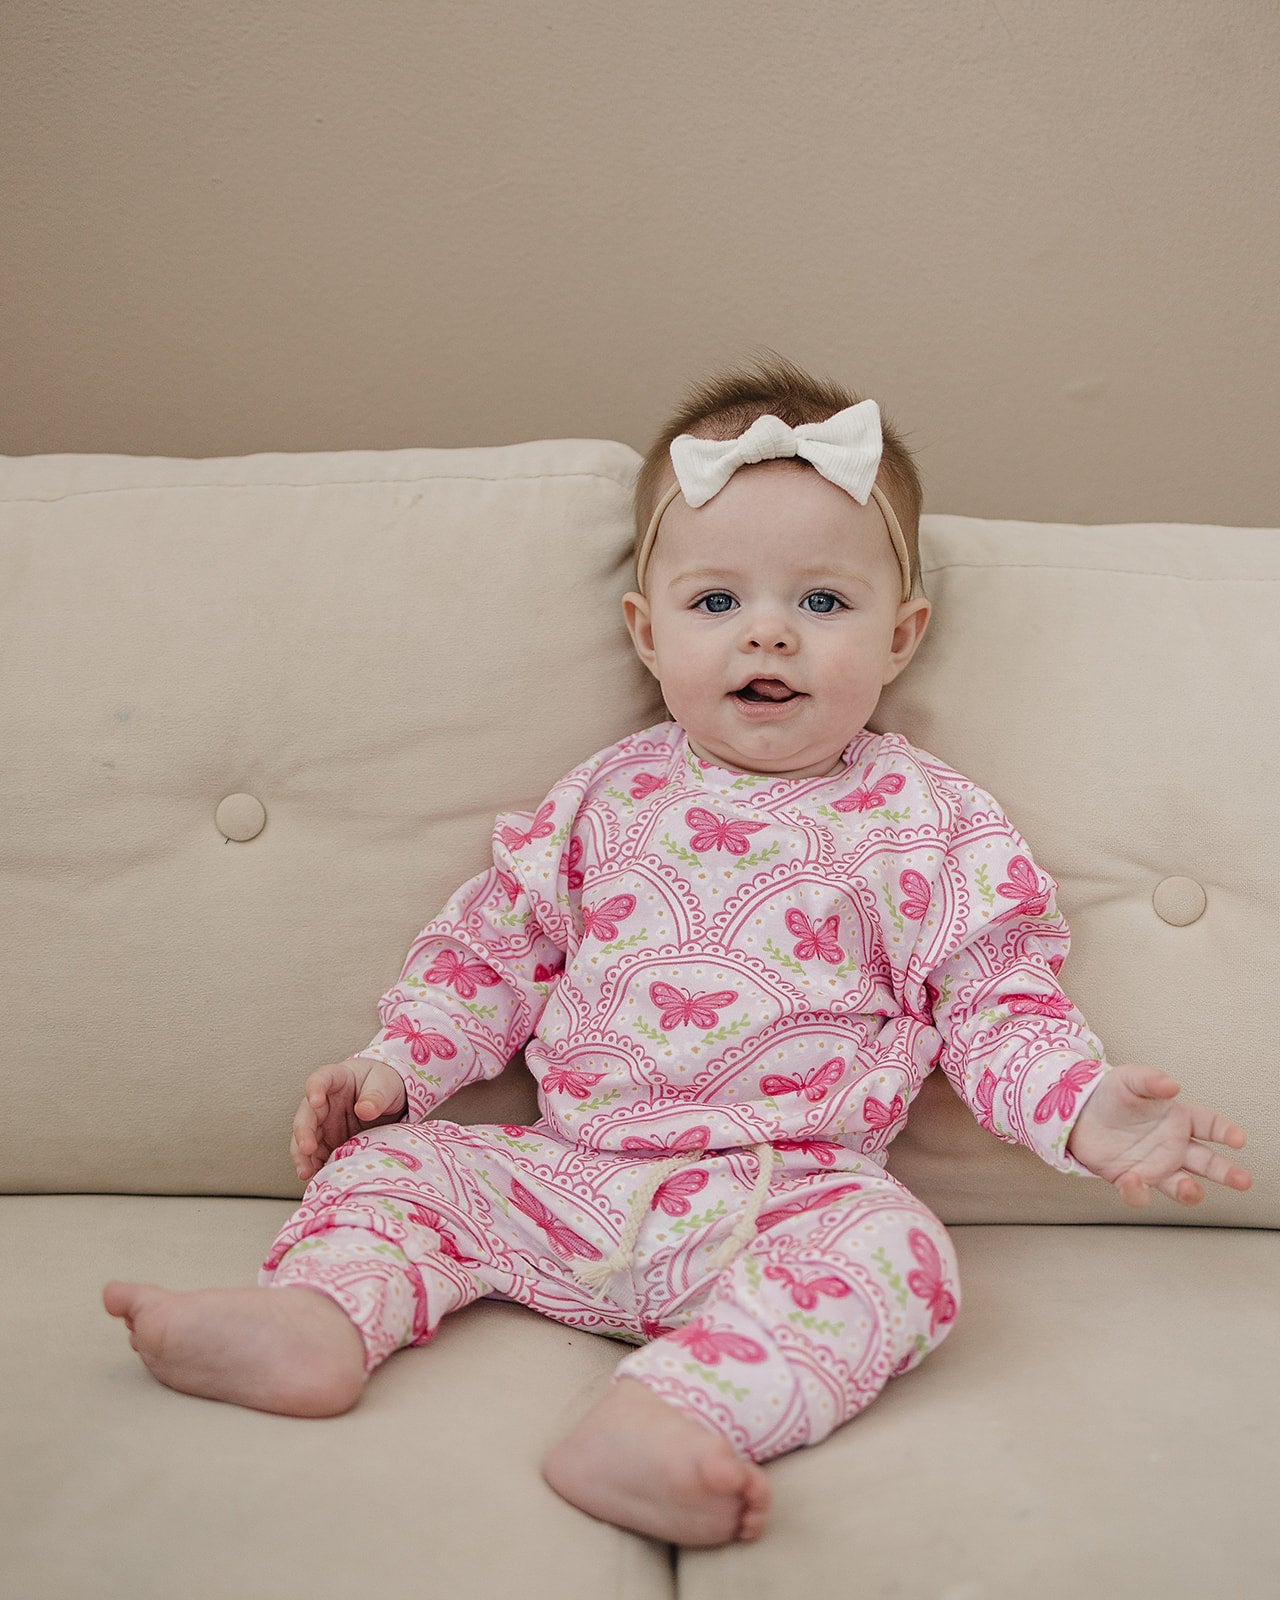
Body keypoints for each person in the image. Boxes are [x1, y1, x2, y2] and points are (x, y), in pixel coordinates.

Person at [104, 356, 1252, 1548]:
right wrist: (397, 1066)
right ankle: (318, 1321)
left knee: (901, 1255)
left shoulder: (929, 821)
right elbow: (491, 952)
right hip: (563, 1176)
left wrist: (1082, 1108)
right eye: (716, 603)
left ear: (899, 636)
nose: (768, 631)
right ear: (645, 634)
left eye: (822, 601)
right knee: (393, 1170)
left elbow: (994, 1001)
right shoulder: (605, 795)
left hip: (777, 1194)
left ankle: (668, 1413)